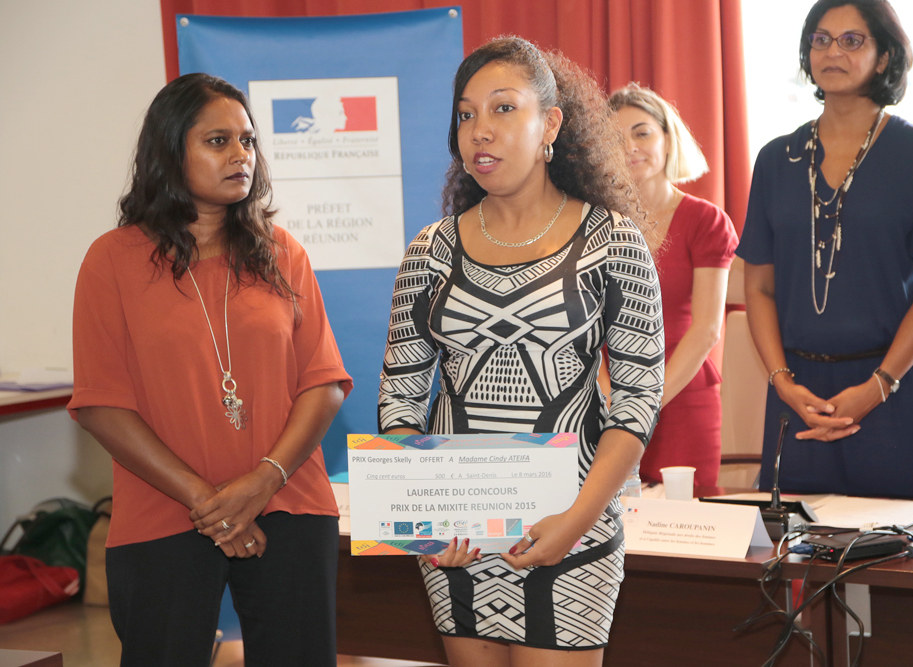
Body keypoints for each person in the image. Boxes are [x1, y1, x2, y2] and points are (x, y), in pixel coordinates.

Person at [377, 38, 664, 665]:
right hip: (457, 541)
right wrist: (422, 518)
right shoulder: (429, 251)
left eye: (504, 109)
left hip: (573, 530)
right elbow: (400, 396)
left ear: (551, 123)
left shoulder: (614, 242)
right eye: (466, 113)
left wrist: (576, 520)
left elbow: (638, 401)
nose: (481, 130)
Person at [68, 73, 352, 666]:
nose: (240, 155)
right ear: (171, 152)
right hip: (165, 509)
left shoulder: (284, 253)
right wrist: (209, 501)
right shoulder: (112, 260)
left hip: (287, 504)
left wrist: (263, 481)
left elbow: (322, 382)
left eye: (247, 141)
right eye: (218, 141)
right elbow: (100, 403)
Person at [737, 0, 913, 499]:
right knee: (795, 558)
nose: (832, 51)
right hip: (800, 394)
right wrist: (781, 382)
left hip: (896, 389)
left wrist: (877, 387)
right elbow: (757, 286)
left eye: (851, 40)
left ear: (884, 57)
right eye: (821, 39)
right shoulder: (776, 159)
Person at [610, 84, 738, 489]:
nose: (629, 145)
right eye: (615, 137)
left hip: (681, 392)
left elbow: (707, 330)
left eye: (642, 132)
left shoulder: (705, 221)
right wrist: (611, 401)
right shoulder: (592, 223)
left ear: (669, 139)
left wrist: (644, 404)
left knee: (687, 531)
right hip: (606, 396)